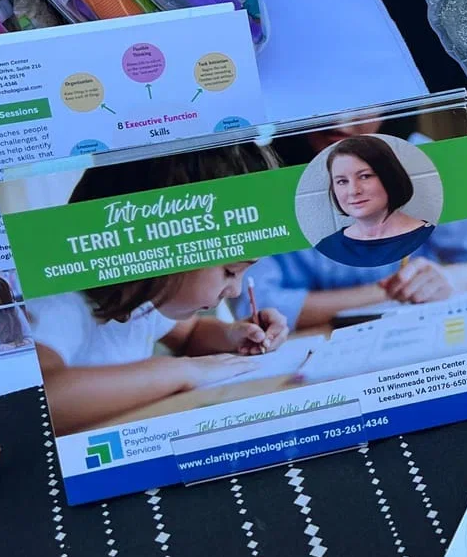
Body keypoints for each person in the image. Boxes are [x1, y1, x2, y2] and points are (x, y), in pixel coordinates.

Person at [31, 144, 292, 435]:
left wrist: (233, 336)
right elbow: (43, 399)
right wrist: (181, 372)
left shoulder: (142, 299)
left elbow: (190, 335)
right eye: (230, 271)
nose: (234, 290)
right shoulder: (60, 301)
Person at [248, 222, 467, 332]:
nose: (341, 122)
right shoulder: (262, 181)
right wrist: (396, 290)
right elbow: (258, 306)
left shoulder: (427, 158)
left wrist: (454, 277)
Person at [312, 135, 434, 268]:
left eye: (365, 176)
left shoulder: (426, 235)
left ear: (391, 177)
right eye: (342, 181)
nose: (353, 191)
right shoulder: (326, 245)